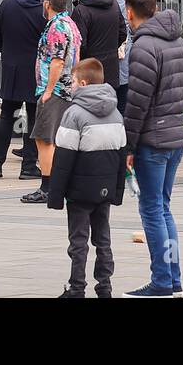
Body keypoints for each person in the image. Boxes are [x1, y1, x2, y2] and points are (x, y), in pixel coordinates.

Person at [123, 0, 183, 297]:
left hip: (152, 139)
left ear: (129, 12)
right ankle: (172, 278)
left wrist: (128, 145)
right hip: (175, 134)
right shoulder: (177, 40)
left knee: (151, 210)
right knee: (163, 208)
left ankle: (162, 280)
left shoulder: (143, 46)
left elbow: (137, 102)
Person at [48, 57, 127, 299]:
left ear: (82, 83)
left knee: (78, 241)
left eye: (71, 81)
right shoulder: (116, 113)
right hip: (104, 189)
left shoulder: (74, 114)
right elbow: (121, 156)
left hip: (79, 191)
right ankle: (105, 287)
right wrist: (117, 191)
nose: (69, 85)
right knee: (103, 239)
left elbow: (63, 158)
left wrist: (56, 195)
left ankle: (77, 287)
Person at [0, 0, 51, 181]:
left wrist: (8, 53)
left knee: (6, 116)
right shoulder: (44, 11)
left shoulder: (7, 5)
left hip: (11, 68)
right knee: (33, 117)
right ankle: (29, 166)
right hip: (35, 70)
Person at [20, 0, 82, 205]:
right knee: (56, 138)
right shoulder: (71, 24)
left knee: (45, 138)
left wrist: (48, 91)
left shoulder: (56, 27)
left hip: (55, 90)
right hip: (68, 88)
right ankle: (59, 184)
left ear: (47, 4)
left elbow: (57, 60)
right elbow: (76, 56)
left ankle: (48, 187)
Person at [71, 0, 126, 89]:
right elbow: (123, 33)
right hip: (111, 69)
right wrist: (110, 50)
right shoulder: (114, 4)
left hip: (90, 72)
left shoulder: (80, 11)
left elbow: (80, 44)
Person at [101, 0, 133, 113]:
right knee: (123, 102)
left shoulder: (100, 6)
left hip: (106, 58)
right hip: (125, 55)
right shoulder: (128, 7)